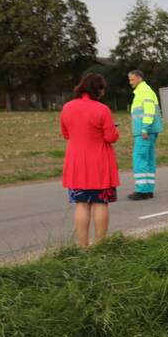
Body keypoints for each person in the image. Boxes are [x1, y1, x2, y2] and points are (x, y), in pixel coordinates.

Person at [60, 73, 119, 247]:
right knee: (101, 203)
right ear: (97, 89)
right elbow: (111, 136)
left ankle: (83, 246)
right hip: (99, 163)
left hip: (76, 163)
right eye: (102, 89)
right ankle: (100, 245)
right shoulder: (102, 109)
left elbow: (66, 134)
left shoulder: (67, 107)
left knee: (81, 204)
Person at [126, 69, 163, 200]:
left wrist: (144, 129)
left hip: (144, 132)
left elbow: (149, 111)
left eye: (132, 79)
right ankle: (148, 190)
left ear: (139, 78)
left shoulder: (144, 91)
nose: (130, 82)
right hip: (148, 131)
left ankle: (142, 191)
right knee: (148, 159)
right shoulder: (145, 91)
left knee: (140, 159)